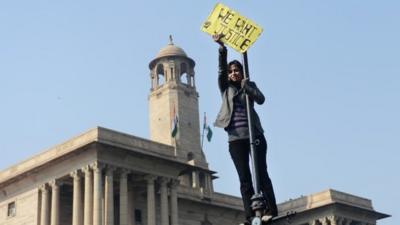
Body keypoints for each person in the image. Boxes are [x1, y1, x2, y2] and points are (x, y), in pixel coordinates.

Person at [212, 34, 278, 225]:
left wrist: (247, 86)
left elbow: (261, 99)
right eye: (231, 71)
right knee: (245, 179)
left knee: (262, 174)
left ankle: (270, 210)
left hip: (254, 135)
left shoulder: (248, 85)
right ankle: (250, 215)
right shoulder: (225, 88)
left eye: (237, 70)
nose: (233, 73)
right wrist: (222, 48)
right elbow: (220, 70)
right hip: (235, 139)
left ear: (242, 72)